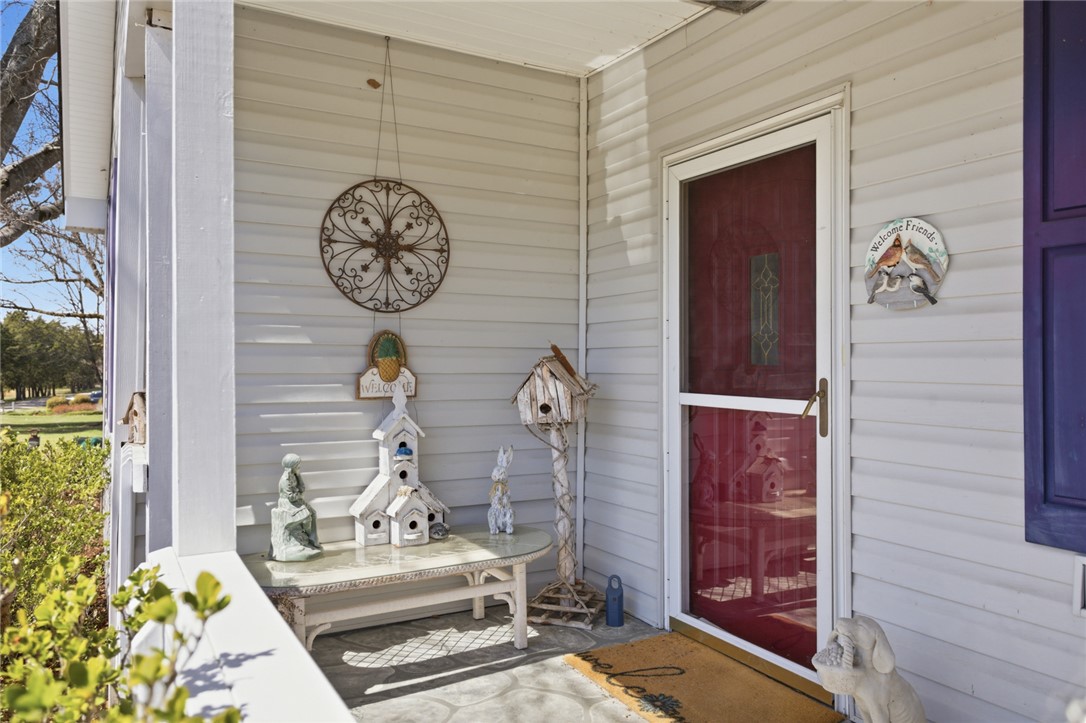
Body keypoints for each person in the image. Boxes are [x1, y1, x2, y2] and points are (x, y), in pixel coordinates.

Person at [269, 453, 322, 561]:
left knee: (313, 512)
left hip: (297, 500)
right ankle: (299, 539)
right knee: (306, 516)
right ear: (291, 467)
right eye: (297, 466)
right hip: (287, 503)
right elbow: (291, 496)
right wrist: (299, 494)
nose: (299, 468)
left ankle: (312, 539)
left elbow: (302, 487)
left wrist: (298, 475)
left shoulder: (294, 475)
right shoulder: (285, 480)